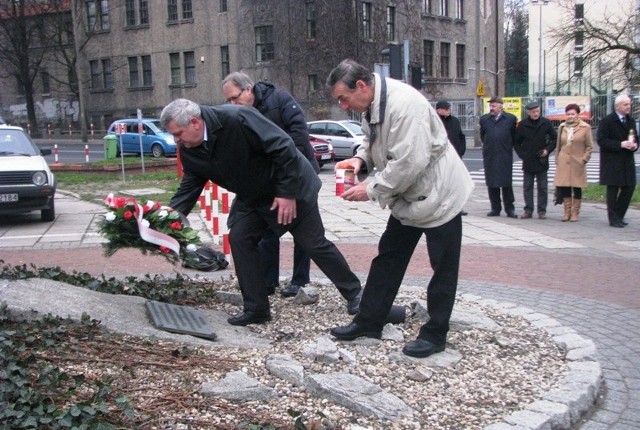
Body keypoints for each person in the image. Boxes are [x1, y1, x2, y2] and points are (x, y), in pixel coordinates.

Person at [161, 98, 363, 326]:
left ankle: (356, 295)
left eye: (178, 134)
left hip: (291, 185)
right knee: (240, 238)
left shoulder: (237, 118)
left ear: (195, 122)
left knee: (312, 242)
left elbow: (284, 147)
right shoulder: (189, 149)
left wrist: (287, 193)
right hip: (253, 197)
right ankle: (256, 309)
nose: (176, 141)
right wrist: (170, 219)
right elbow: (191, 183)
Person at [326, 60, 474, 358]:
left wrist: (368, 189)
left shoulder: (406, 106)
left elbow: (408, 164)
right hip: (409, 197)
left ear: (362, 86)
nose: (343, 106)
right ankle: (369, 320)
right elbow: (372, 141)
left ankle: (435, 334)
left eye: (344, 98)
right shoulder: (372, 105)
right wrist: (360, 160)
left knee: (443, 267)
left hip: (440, 192)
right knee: (388, 259)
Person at [222, 71, 318, 297]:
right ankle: (267, 281)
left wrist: (286, 179)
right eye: (228, 101)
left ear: (248, 89)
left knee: (304, 230)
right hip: (268, 180)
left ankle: (300, 280)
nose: (232, 104)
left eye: (235, 98)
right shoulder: (237, 114)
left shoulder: (280, 100)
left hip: (299, 173)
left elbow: (300, 138)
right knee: (267, 229)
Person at [597, 94, 638, 228]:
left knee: (629, 187)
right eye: (625, 104)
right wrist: (620, 144)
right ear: (617, 106)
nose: (628, 107)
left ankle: (619, 215)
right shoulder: (607, 121)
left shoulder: (630, 120)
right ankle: (613, 218)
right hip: (612, 161)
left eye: (629, 104)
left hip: (627, 160)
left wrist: (635, 145)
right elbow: (602, 140)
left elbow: (635, 137)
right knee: (613, 189)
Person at [514, 101, 557, 219]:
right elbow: (516, 142)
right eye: (533, 112)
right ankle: (528, 209)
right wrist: (522, 154)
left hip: (541, 159)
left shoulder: (546, 123)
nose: (536, 114)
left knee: (542, 187)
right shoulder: (523, 124)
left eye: (537, 111)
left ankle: (542, 210)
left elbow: (554, 139)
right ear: (529, 112)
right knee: (527, 186)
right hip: (528, 159)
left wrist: (547, 150)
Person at [479, 97, 518, 218]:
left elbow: (514, 136)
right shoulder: (485, 119)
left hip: (504, 154)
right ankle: (495, 208)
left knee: (506, 183)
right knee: (492, 182)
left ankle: (509, 208)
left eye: (494, 106)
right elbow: (483, 135)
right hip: (490, 154)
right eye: (490, 106)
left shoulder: (510, 119)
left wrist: (507, 146)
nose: (492, 108)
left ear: (501, 106)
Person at [553, 103, 593, 222]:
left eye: (573, 114)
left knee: (577, 187)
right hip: (564, 160)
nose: (570, 116)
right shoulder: (562, 127)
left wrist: (584, 159)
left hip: (577, 161)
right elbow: (559, 145)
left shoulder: (585, 127)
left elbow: (589, 146)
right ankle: (566, 212)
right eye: (568, 114)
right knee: (565, 186)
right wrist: (558, 159)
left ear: (578, 114)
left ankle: (575, 212)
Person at [436, 100, 468, 216]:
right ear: (439, 110)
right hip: (440, 159)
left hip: (456, 158)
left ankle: (457, 207)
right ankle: (442, 207)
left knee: (456, 184)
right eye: (446, 109)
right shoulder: (435, 121)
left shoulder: (455, 121)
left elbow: (461, 136)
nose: (449, 111)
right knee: (442, 185)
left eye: (449, 109)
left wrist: (461, 151)